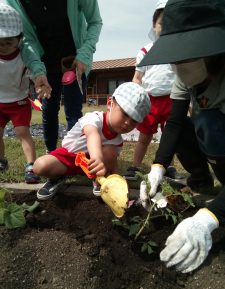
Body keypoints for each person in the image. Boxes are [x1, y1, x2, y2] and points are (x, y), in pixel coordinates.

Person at [138, 0, 225, 273]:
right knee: (188, 127)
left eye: (183, 59)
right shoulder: (185, 75)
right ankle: (202, 177)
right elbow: (174, 123)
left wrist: (210, 216)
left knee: (210, 123)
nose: (177, 68)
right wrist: (157, 167)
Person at [7, 0, 103, 152]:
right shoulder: (13, 2)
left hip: (75, 58)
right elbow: (26, 39)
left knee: (73, 110)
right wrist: (37, 70)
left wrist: (85, 52)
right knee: (49, 109)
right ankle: (50, 151)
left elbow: (95, 21)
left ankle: (73, 154)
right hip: (45, 61)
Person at [33, 82, 150, 200]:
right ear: (110, 104)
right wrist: (97, 158)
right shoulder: (93, 118)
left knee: (111, 151)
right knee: (39, 166)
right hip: (69, 157)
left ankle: (98, 180)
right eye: (125, 114)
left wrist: (116, 179)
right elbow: (92, 135)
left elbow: (113, 163)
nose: (128, 123)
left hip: (92, 167)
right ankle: (57, 177)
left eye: (134, 120)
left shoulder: (117, 141)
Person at [124, 0, 183, 182]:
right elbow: (137, 77)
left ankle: (168, 166)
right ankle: (135, 166)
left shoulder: (178, 49)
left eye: (170, 25)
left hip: (172, 99)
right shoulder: (145, 50)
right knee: (144, 137)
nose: (165, 29)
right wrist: (135, 95)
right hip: (150, 101)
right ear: (153, 26)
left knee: (169, 138)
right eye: (161, 24)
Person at [0, 3, 50, 183]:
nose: (4, 47)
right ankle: (1, 161)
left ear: (19, 39)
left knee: (22, 131)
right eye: (0, 43)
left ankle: (31, 165)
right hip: (0, 101)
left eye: (8, 42)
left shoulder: (24, 53)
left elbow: (36, 65)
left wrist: (39, 78)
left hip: (19, 102)